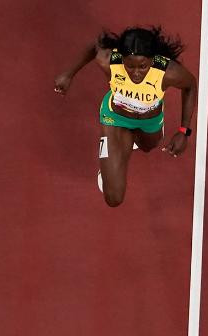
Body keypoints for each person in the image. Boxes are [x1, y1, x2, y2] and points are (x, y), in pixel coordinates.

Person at [54, 26, 197, 207]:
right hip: (116, 118)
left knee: (149, 146)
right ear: (122, 59)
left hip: (149, 120)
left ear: (152, 60)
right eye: (130, 66)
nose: (136, 73)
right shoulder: (109, 61)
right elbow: (95, 45)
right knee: (113, 199)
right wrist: (69, 74)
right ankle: (113, 159)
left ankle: (130, 143)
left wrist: (183, 131)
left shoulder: (167, 71)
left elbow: (190, 86)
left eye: (143, 66)